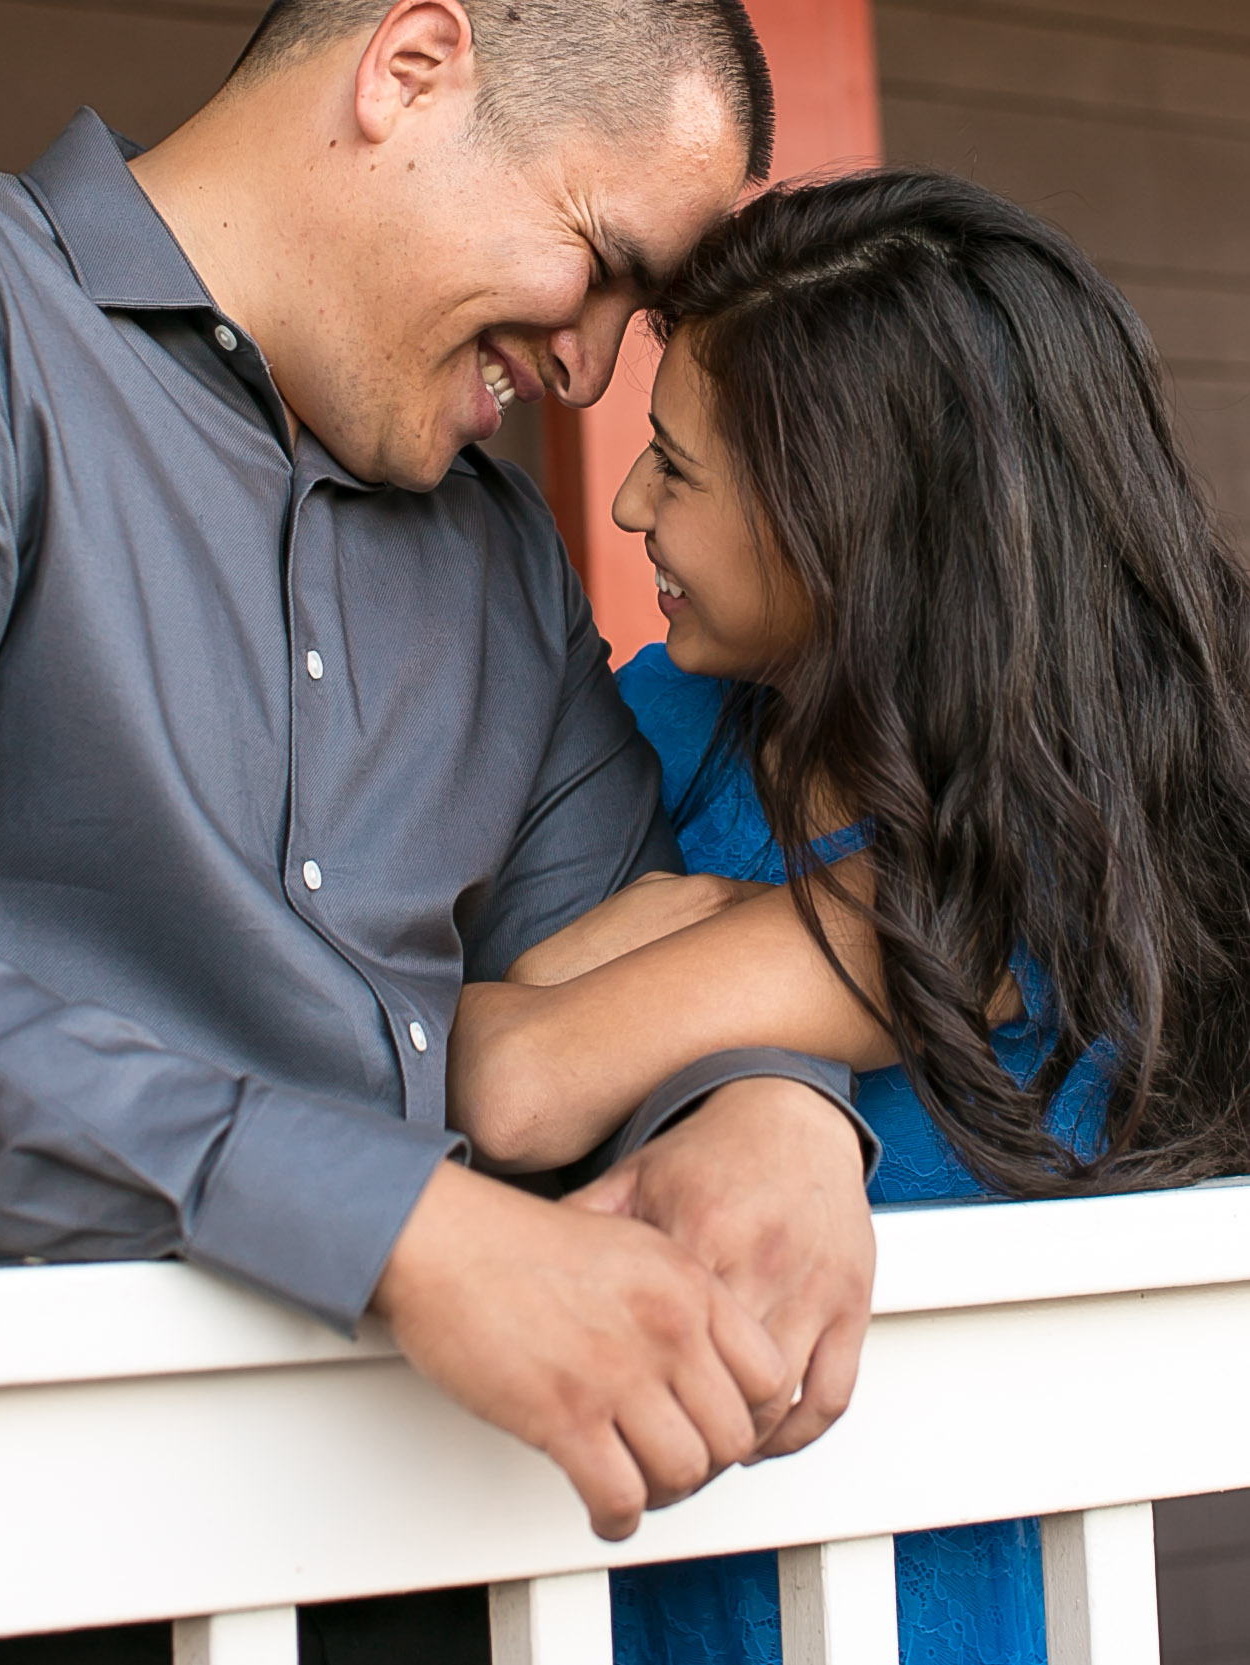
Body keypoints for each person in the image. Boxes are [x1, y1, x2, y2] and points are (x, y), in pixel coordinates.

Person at [0, 0, 878, 1657]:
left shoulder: (499, 565)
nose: (591, 373)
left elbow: (617, 948)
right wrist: (398, 1226)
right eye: (602, 266)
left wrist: (773, 1110)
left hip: (412, 1570)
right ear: (413, 74)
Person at [447, 168, 1250, 1664]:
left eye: (675, 469)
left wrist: (642, 962)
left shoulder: (1052, 859)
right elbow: (482, 1049)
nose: (623, 503)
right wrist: (713, 983)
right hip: (606, 1575)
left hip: (908, 1608)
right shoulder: (680, 716)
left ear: (849, 520)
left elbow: (519, 1070)